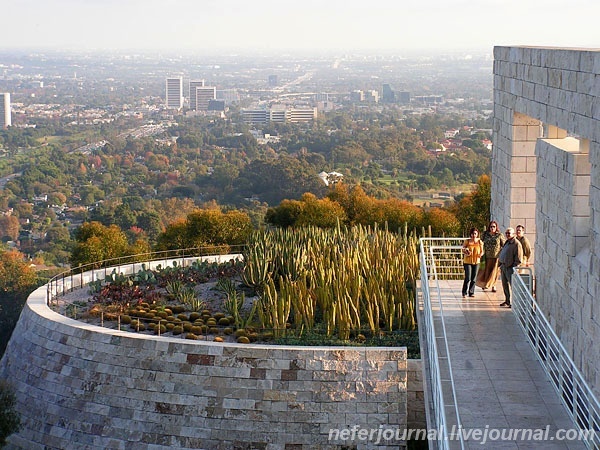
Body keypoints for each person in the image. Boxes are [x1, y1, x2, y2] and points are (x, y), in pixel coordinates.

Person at [476, 220, 506, 292]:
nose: (492, 228)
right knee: (486, 271)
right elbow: (480, 243)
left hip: (496, 256)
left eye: (494, 227)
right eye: (491, 226)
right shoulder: (485, 234)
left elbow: (504, 245)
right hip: (487, 256)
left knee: (494, 272)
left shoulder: (499, 235)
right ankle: (485, 284)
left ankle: (493, 285)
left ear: (496, 227)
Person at [498, 227, 523, 308]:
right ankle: (507, 300)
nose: (507, 234)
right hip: (504, 266)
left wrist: (514, 267)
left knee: (513, 286)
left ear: (513, 234)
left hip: (510, 268)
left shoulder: (516, 244)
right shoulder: (507, 242)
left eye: (509, 233)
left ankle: (515, 302)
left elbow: (519, 258)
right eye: (506, 233)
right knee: (504, 285)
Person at [461, 228, 484, 298]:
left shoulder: (480, 242)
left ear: (477, 234)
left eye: (475, 234)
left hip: (476, 261)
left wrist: (480, 254)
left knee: (474, 278)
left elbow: (482, 251)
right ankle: (464, 292)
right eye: (472, 233)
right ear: (470, 234)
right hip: (468, 261)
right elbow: (463, 249)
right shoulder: (467, 241)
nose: (474, 235)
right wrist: (466, 251)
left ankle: (471, 292)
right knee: (468, 277)